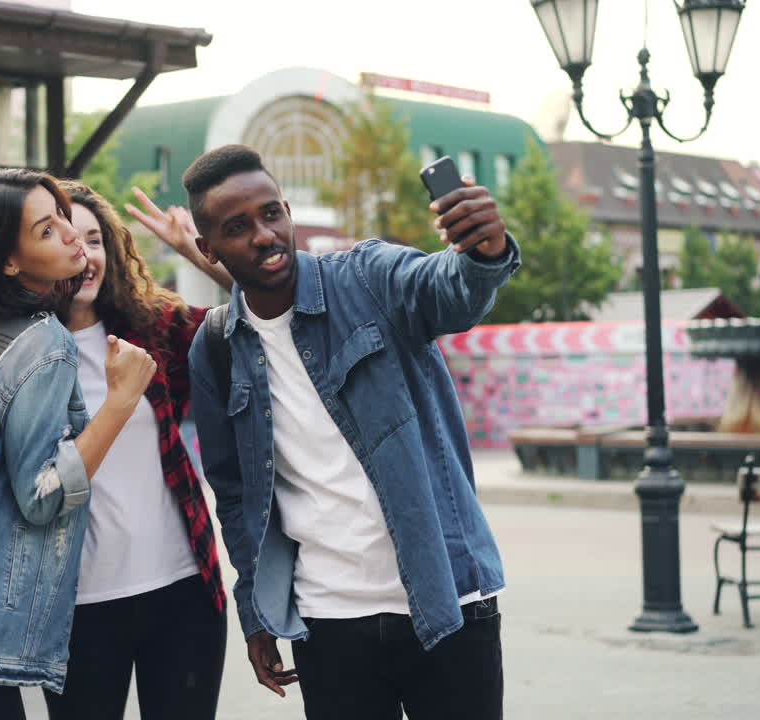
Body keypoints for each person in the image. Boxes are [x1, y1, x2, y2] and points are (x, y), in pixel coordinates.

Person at [0, 180, 232, 720]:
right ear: (17, 259)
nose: (80, 248)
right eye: (55, 230)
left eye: (93, 237)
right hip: (75, 605)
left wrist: (200, 254)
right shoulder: (3, 339)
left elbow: (256, 324)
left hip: (180, 588)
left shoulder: (154, 331)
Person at [184, 145, 520, 720]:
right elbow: (236, 497)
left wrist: (483, 250)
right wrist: (256, 614)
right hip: (328, 621)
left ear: (287, 212)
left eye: (271, 214)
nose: (264, 236)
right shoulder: (216, 348)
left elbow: (448, 288)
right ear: (207, 248)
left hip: (447, 602)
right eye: (237, 227)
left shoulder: (368, 278)